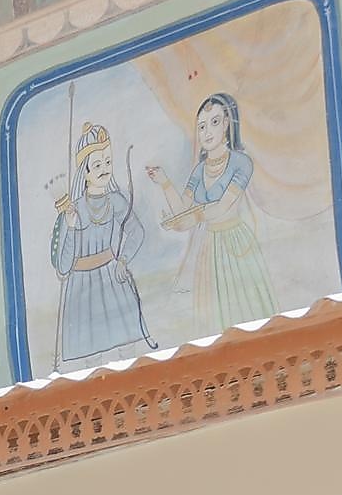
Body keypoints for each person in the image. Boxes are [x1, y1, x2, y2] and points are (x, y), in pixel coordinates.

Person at [152, 92, 277, 332]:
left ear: (227, 123)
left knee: (248, 314)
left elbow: (221, 206)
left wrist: (192, 217)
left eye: (214, 122)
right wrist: (165, 183)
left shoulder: (241, 163)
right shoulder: (199, 171)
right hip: (208, 249)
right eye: (201, 127)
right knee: (215, 323)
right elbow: (183, 211)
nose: (207, 132)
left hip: (236, 244)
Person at [47, 122, 155, 364]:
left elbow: (137, 232)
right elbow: (63, 267)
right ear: (84, 172)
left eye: (108, 162)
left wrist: (123, 260)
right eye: (97, 165)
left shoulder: (115, 201)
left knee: (127, 350)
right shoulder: (73, 210)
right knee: (92, 361)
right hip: (82, 289)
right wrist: (71, 227)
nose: (105, 169)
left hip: (112, 278)